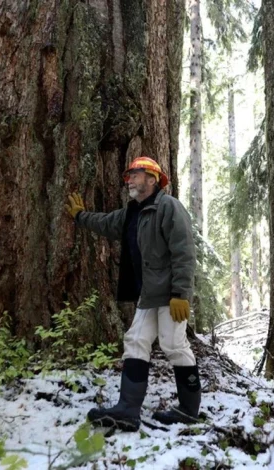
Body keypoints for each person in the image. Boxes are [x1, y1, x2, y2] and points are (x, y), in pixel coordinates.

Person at [64, 156, 200, 431]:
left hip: (169, 295)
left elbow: (184, 252)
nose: (129, 180)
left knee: (174, 346)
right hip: (148, 295)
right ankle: (128, 410)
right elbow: (105, 223)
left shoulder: (168, 207)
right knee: (136, 340)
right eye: (129, 176)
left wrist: (181, 293)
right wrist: (80, 216)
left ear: (152, 178)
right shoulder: (132, 213)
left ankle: (188, 410)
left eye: (135, 175)